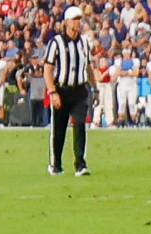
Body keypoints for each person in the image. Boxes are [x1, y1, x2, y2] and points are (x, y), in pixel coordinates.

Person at [44, 5, 95, 176]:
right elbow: (48, 69)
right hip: (62, 90)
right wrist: (52, 91)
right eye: (74, 19)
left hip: (79, 90)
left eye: (79, 19)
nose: (78, 23)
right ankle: (56, 163)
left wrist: (94, 88)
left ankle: (80, 164)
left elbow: (88, 68)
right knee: (59, 130)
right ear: (66, 22)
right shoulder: (56, 43)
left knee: (80, 124)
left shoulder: (84, 43)